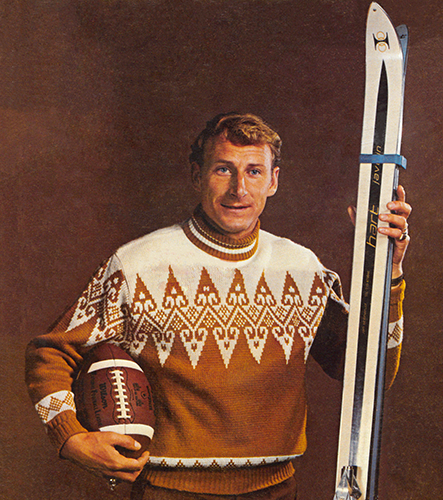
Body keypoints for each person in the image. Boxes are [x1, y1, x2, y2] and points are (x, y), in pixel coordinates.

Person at [25, 113, 411, 500]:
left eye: (254, 171)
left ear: (273, 180)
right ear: (197, 176)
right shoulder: (138, 264)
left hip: (278, 491)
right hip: (167, 491)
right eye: (223, 170)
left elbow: (371, 372)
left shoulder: (303, 268)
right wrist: (70, 437)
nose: (239, 189)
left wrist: (389, 275)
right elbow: (51, 352)